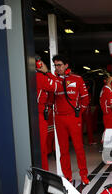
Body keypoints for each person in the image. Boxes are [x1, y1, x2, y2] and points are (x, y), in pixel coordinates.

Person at [38, 55, 90, 185]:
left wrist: (79, 112)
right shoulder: (53, 80)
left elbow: (85, 99)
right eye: (55, 65)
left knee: (79, 148)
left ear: (66, 65)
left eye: (59, 65)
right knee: (63, 149)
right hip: (59, 118)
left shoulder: (77, 79)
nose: (57, 68)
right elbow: (50, 100)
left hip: (74, 118)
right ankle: (67, 176)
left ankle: (84, 175)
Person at [35, 59, 57, 170]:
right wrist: (47, 71)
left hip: (29, 115)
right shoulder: (39, 77)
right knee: (42, 149)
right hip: (38, 116)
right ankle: (43, 174)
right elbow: (57, 86)